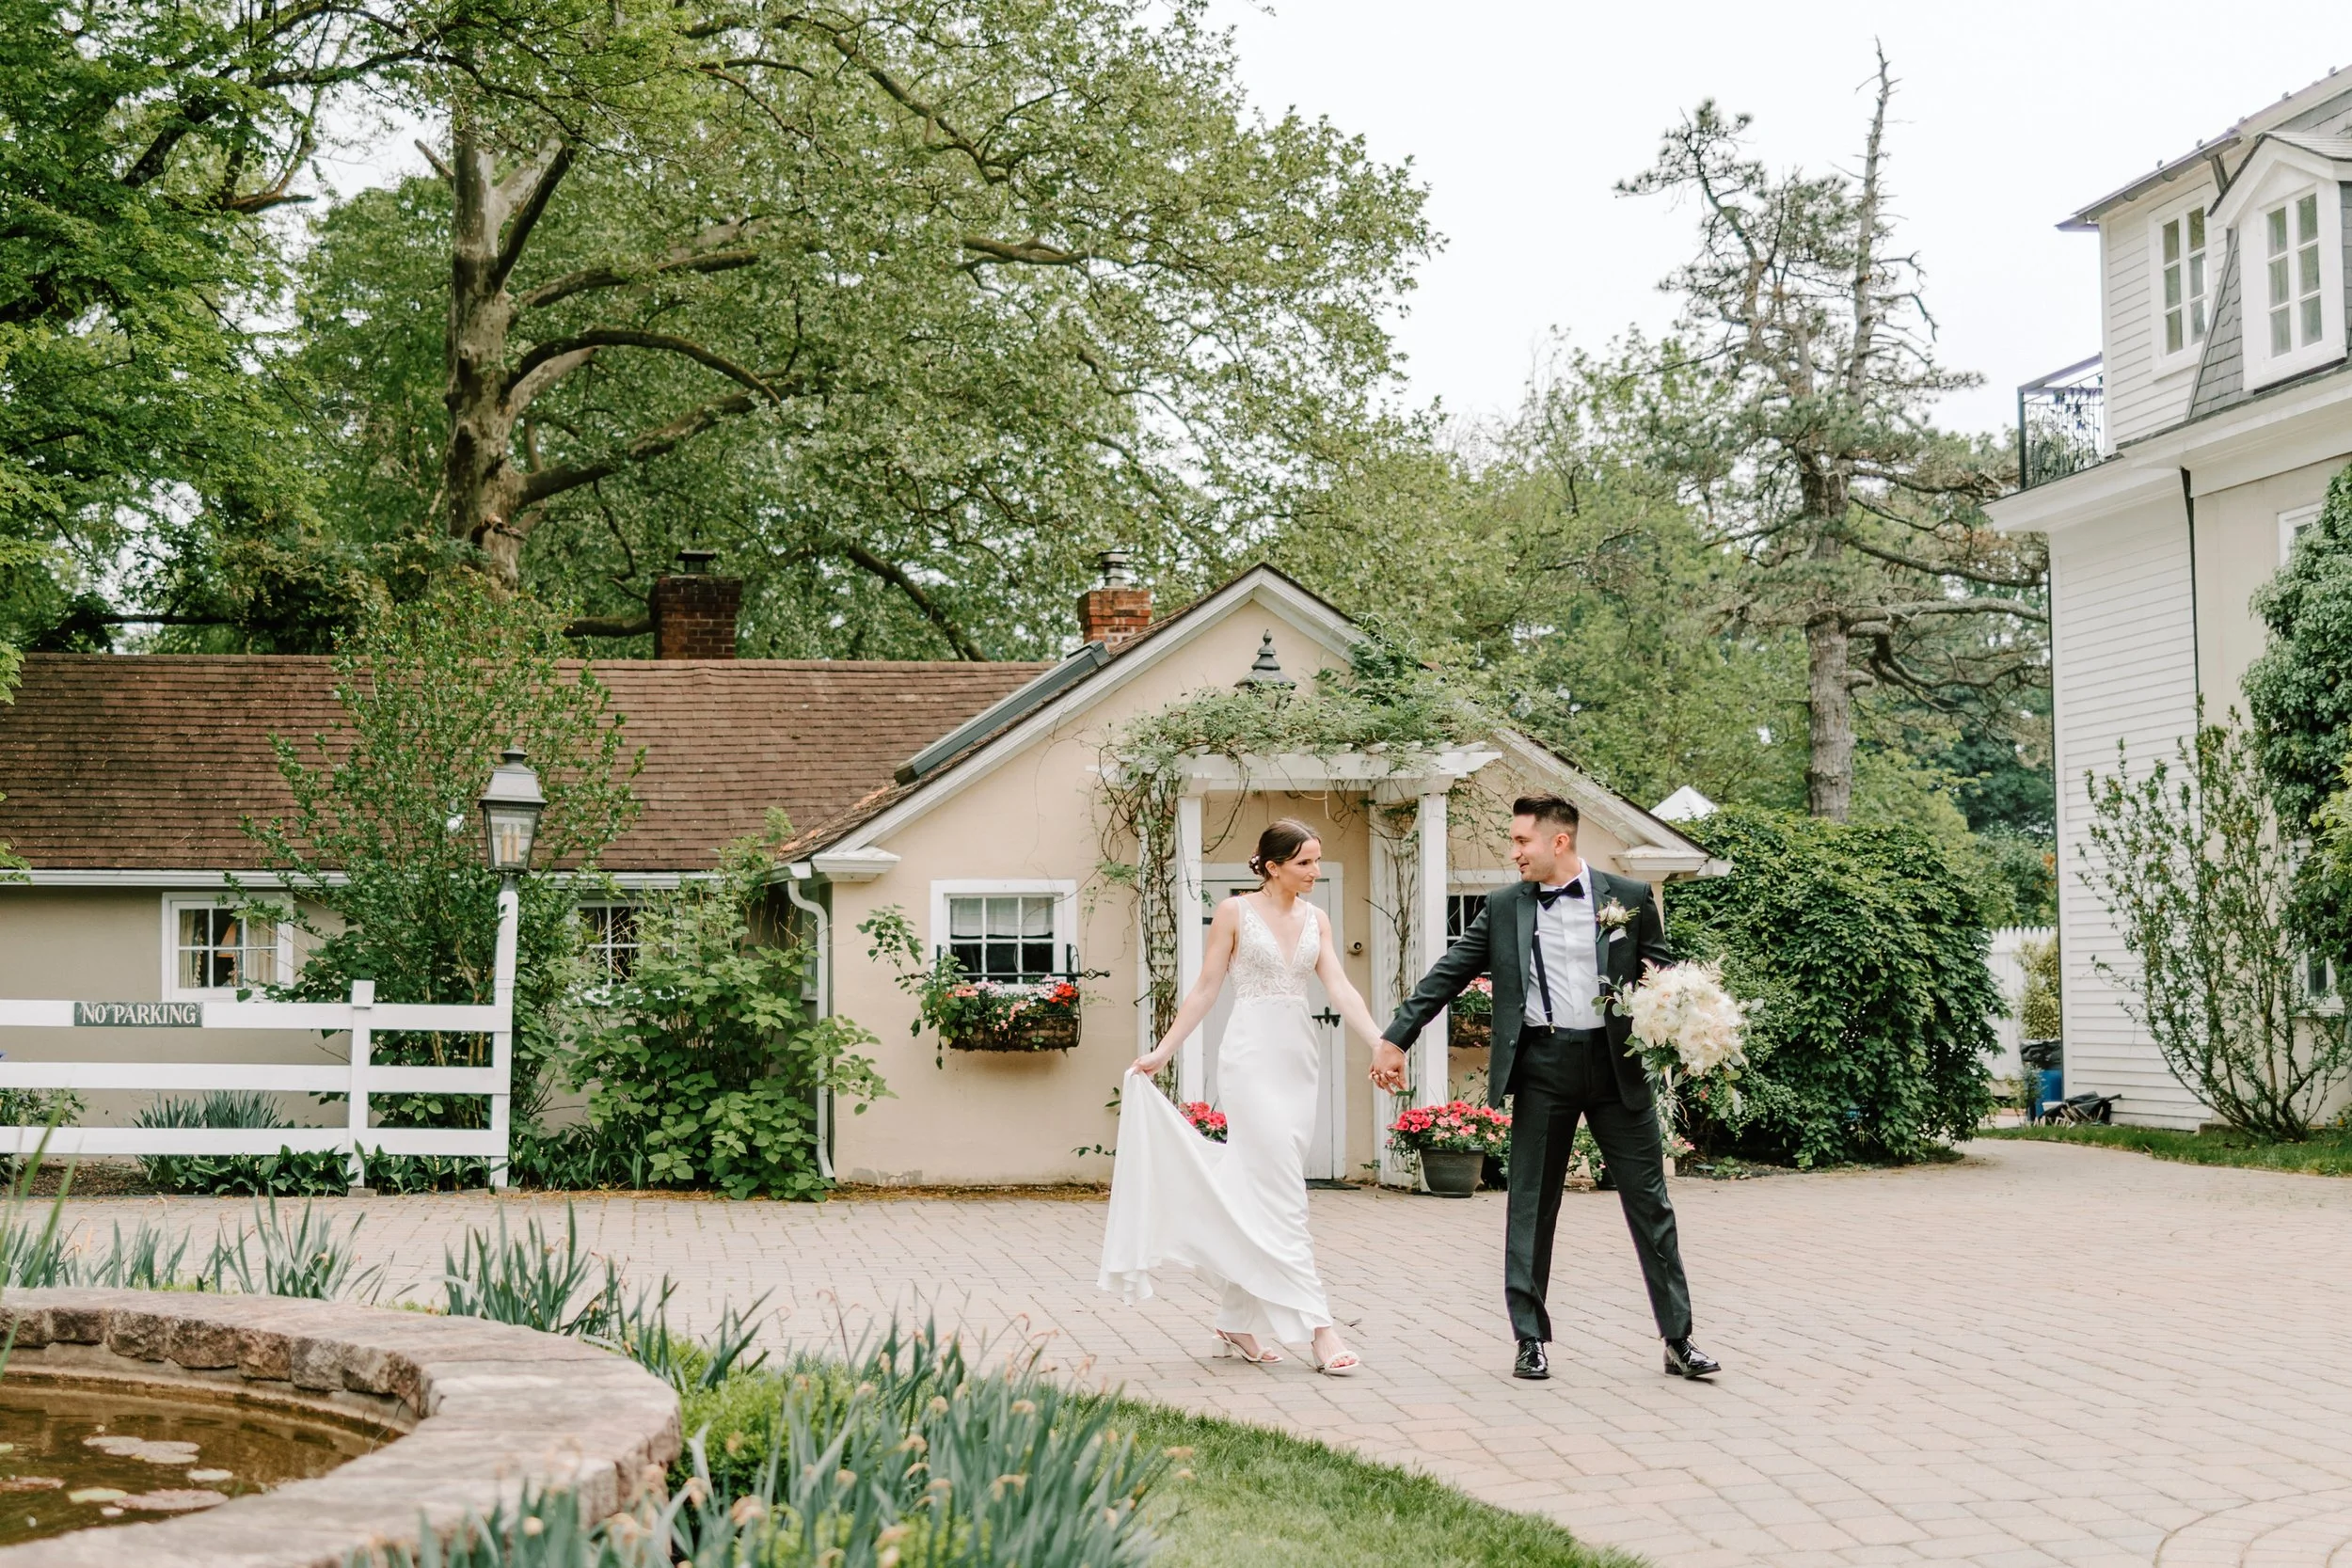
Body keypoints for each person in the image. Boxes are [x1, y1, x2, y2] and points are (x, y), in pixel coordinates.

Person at [1374, 793, 1722, 1384]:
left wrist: (1689, 1031)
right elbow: (1449, 972)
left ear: (1558, 841)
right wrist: (1394, 1037)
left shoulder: (1630, 899)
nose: (1513, 852)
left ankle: (1678, 1338)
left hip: (1618, 1070)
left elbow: (1661, 978)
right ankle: (1529, 1338)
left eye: (1521, 841)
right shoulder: (1505, 906)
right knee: (1531, 1206)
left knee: (1650, 1204)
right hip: (1544, 1066)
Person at [1098, 819, 1390, 1373]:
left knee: (1265, 1193)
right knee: (1285, 1195)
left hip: (1298, 1058)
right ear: (1273, 865)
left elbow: (1340, 987)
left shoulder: (1318, 919)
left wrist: (1380, 1041)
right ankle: (1319, 1328)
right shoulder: (1233, 912)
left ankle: (1235, 1320)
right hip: (1250, 1058)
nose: (1315, 871)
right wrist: (1163, 1052)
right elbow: (1207, 987)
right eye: (1305, 862)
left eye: (1318, 860)